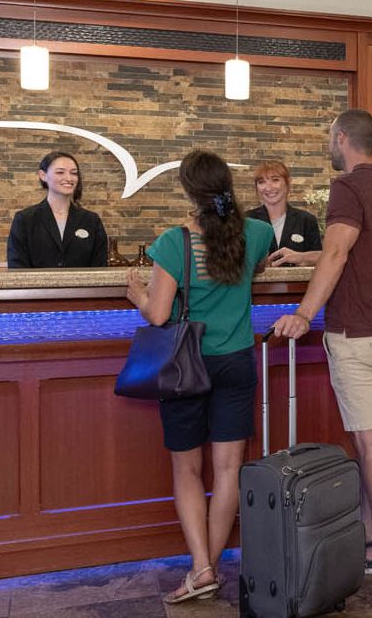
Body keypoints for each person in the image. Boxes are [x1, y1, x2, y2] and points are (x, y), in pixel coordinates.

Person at [125, 150, 273, 604]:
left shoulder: (173, 242)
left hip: (186, 366)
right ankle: (209, 565)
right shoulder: (258, 232)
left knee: (187, 468)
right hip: (236, 361)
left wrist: (136, 293)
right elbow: (258, 268)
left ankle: (202, 569)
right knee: (229, 469)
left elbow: (159, 313)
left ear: (188, 191)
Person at [272, 109, 372, 576]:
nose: (329, 144)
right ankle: (371, 530)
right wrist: (301, 254)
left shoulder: (347, 186)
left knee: (371, 445)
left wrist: (304, 313)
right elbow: (349, 246)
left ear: (343, 137)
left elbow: (336, 251)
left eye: (330, 136)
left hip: (357, 333)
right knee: (370, 440)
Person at [6, 151, 108, 268]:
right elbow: (17, 267)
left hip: (83, 287)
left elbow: (99, 266)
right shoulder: (25, 219)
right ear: (43, 175)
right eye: (60, 172)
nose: (69, 178)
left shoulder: (91, 220)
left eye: (74, 173)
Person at [245, 160, 322, 267]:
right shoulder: (246, 220)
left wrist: (301, 257)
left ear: (287, 183)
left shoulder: (306, 220)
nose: (268, 187)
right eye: (261, 182)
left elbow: (321, 258)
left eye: (275, 180)